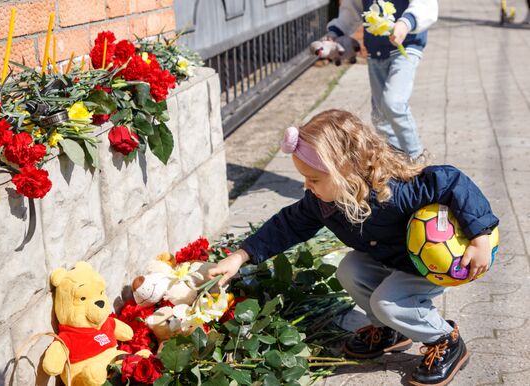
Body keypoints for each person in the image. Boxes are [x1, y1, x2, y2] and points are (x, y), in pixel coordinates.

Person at [209, 110, 499, 385]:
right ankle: (390, 330)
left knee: (387, 302)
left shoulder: (396, 192)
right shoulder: (323, 203)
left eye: (314, 179)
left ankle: (445, 340)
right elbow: (287, 225)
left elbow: (452, 181)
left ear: (345, 169)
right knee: (350, 268)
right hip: (392, 260)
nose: (307, 187)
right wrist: (240, 255)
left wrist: (479, 238)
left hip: (429, 266)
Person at [325, 0, 438, 159]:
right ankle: (395, 162)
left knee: (393, 103)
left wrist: (406, 23)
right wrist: (335, 32)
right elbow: (352, 9)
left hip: (406, 45)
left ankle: (417, 158)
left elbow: (425, 4)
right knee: (380, 116)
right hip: (375, 52)